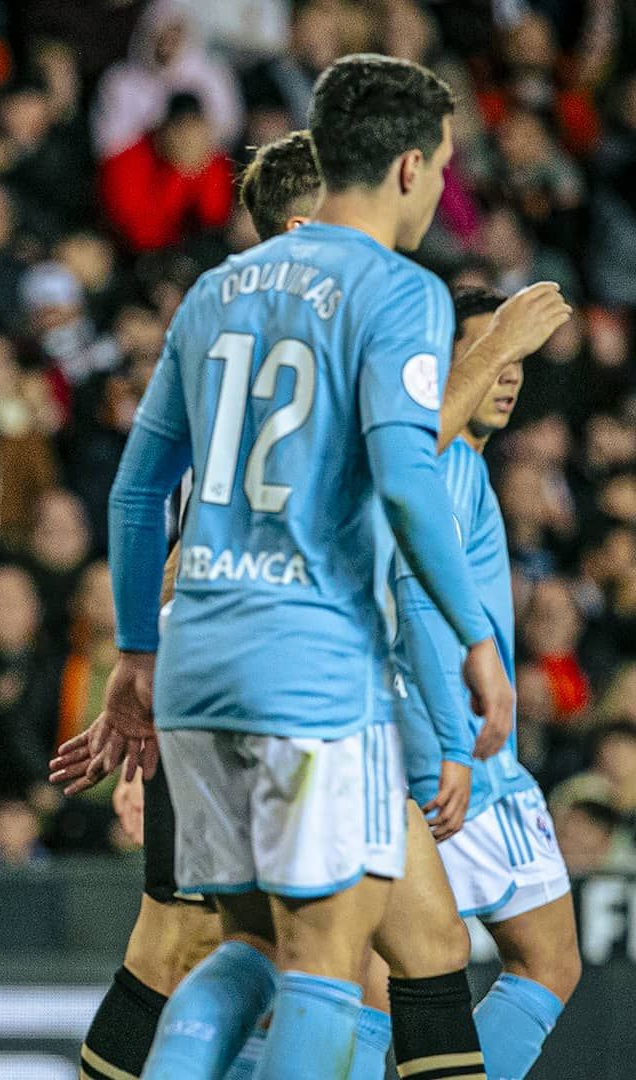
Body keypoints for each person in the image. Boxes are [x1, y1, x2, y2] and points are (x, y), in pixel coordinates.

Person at [62, 122, 573, 1080]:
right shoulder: (344, 313)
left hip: (202, 654)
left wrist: (139, 659)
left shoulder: (213, 317)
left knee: (217, 945)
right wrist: (495, 343)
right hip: (302, 668)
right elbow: (385, 478)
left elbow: (145, 506)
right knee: (341, 960)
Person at [390, 285, 582, 1080]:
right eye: (488, 350)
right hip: (451, 759)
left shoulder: (464, 464)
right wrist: (446, 749)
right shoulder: (434, 469)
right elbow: (411, 617)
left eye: (513, 358)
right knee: (377, 981)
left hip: (473, 759)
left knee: (545, 961)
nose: (506, 372)